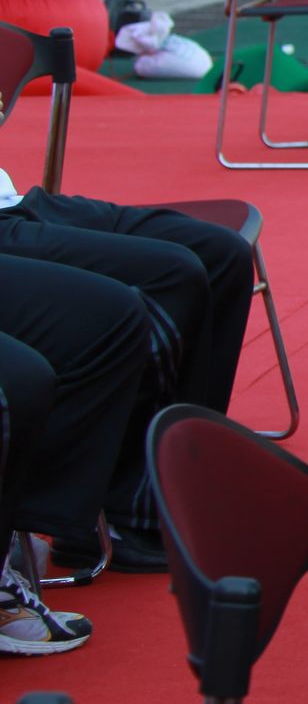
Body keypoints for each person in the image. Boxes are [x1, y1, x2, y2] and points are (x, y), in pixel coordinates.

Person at [0, 189, 254, 574]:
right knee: (170, 276)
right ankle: (117, 514)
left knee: (221, 252)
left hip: (12, 200)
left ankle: (177, 490)